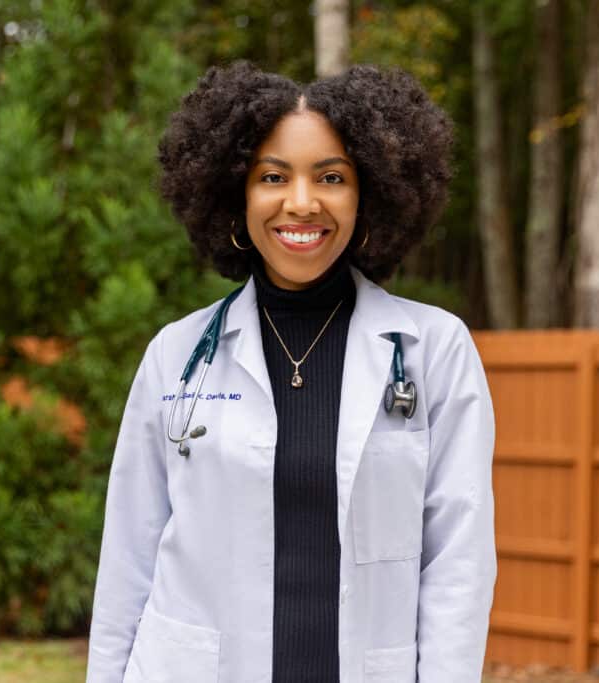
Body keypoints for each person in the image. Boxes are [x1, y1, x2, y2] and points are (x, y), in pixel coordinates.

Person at [86, 61, 496, 683]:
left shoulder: (433, 351)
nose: (301, 203)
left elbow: (457, 564)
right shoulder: (177, 356)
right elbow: (128, 557)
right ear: (235, 196)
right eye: (272, 177)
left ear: (371, 196)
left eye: (331, 177)